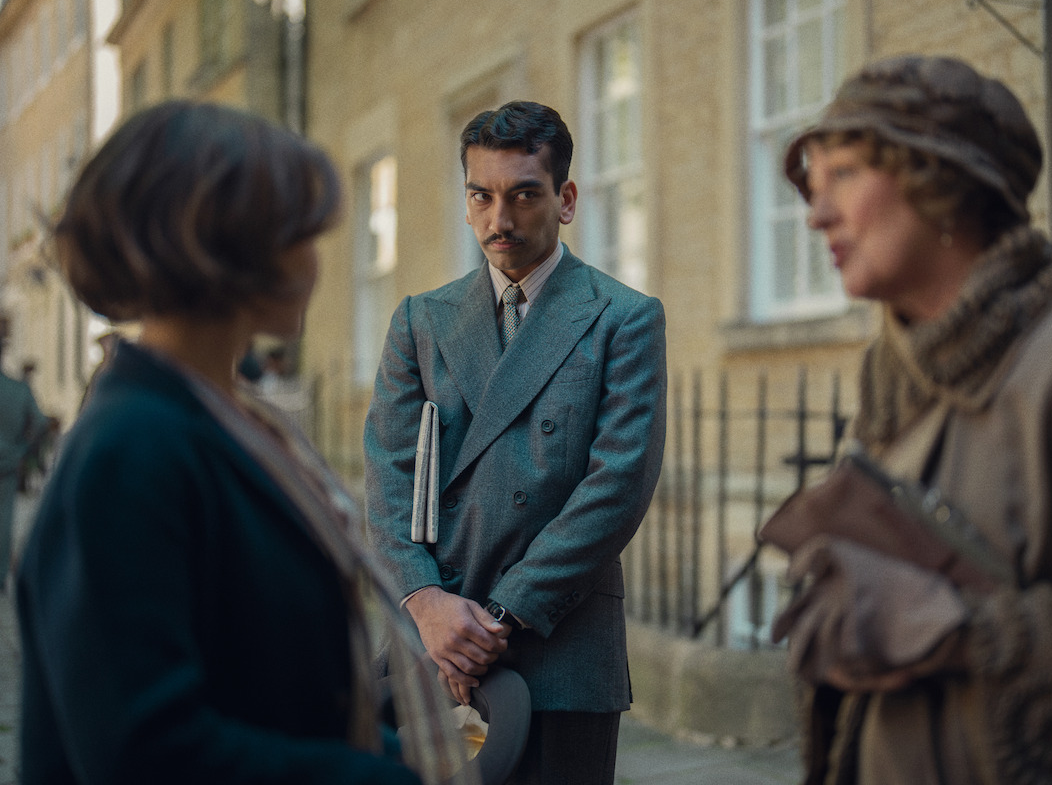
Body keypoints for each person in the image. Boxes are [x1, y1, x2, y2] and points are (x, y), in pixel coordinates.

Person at [769, 55, 1052, 784]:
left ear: (942, 183)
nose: (815, 213)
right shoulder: (891, 375)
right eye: (815, 184)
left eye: (843, 174)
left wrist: (966, 636)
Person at [17, 100, 470, 785]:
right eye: (300, 236)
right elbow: (145, 753)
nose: (317, 265)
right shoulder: (131, 451)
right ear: (225, 243)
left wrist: (385, 748)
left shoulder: (234, 419)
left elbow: (265, 684)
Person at [364, 100, 667, 784]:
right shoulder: (420, 321)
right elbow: (387, 477)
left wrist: (496, 621)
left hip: (559, 647)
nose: (500, 220)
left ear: (565, 200)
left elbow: (616, 488)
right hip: (427, 644)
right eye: (483, 196)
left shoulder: (623, 319)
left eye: (524, 195)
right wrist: (428, 604)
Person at [0, 340, 48, 592]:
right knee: (4, 515)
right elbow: (40, 422)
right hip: (8, 460)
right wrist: (22, 449)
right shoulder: (18, 390)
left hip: (10, 459)